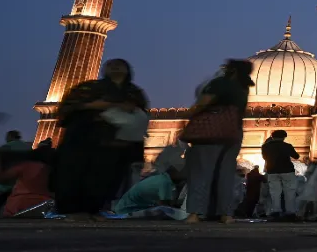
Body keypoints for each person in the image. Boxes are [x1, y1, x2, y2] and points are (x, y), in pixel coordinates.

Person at [56, 58, 149, 221]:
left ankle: (95, 209)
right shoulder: (90, 87)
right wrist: (94, 105)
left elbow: (141, 116)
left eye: (120, 65)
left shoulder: (134, 92)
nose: (116, 68)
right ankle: (73, 211)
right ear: (105, 70)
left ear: (128, 70)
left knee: (107, 177)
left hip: (116, 142)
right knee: (77, 174)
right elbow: (69, 106)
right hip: (86, 139)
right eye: (111, 65)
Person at [183, 59, 253, 224]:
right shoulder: (243, 88)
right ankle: (226, 214)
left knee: (201, 173)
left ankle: (195, 213)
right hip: (233, 132)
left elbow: (204, 102)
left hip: (210, 131)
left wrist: (189, 116)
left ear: (232, 70)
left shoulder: (220, 83)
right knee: (226, 175)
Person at [114, 168, 186, 220]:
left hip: (125, 208)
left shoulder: (161, 178)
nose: (184, 176)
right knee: (166, 212)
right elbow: (164, 205)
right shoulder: (165, 182)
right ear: (174, 173)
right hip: (128, 211)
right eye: (182, 173)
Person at [261, 130, 300, 219]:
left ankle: (276, 211)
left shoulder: (265, 146)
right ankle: (290, 212)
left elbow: (264, 157)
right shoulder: (287, 146)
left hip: (272, 171)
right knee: (289, 191)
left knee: (275, 192)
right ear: (284, 137)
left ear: (272, 137)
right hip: (287, 170)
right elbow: (296, 156)